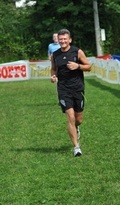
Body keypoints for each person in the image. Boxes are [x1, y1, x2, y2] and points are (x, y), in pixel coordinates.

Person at [50, 29, 91, 157]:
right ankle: (76, 147)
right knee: (70, 117)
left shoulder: (77, 52)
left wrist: (77, 66)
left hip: (78, 88)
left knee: (78, 119)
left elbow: (89, 67)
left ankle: (77, 127)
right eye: (60, 39)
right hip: (63, 89)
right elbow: (53, 69)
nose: (62, 41)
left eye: (64, 39)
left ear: (69, 40)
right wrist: (53, 76)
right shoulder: (54, 55)